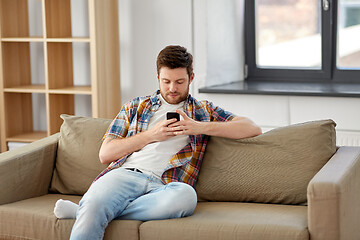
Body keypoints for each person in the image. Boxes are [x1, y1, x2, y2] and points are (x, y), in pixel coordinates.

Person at [53, 45, 262, 240]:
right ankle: (93, 207)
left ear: (191, 78)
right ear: (157, 77)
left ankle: (86, 210)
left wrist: (199, 127)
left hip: (167, 185)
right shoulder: (136, 106)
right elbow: (105, 154)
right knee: (97, 200)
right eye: (166, 81)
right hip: (126, 175)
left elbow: (252, 128)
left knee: (187, 197)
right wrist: (151, 135)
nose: (172, 88)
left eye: (180, 82)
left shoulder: (203, 111)